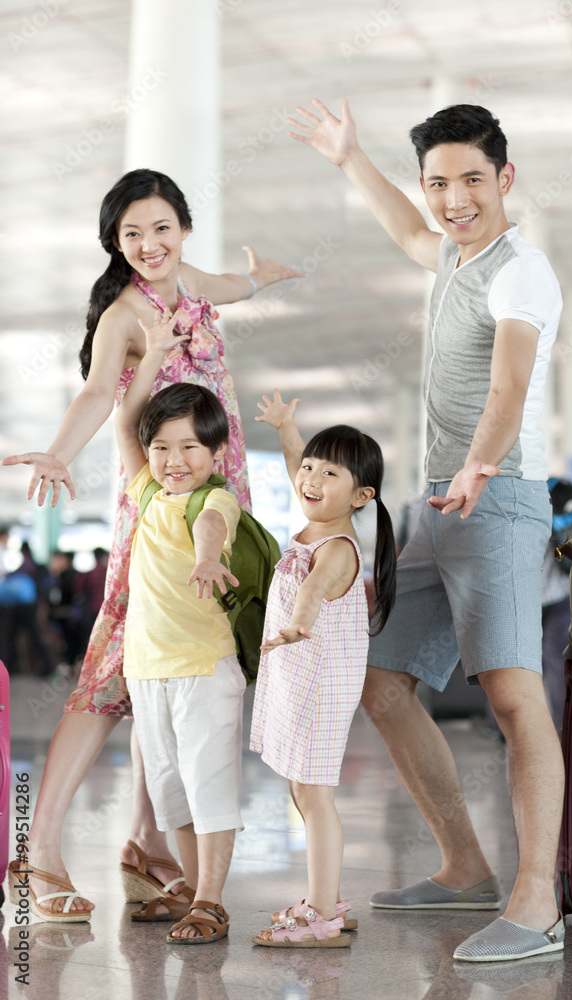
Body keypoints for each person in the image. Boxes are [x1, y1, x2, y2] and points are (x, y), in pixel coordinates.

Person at [289, 100, 565, 961]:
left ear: (504, 179)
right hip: (436, 505)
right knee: (380, 678)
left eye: (470, 180)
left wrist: (482, 461)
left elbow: (509, 386)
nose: (453, 199)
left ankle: (535, 902)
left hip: (502, 496)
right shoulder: (450, 254)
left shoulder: (522, 271)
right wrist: (348, 158)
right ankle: (463, 867)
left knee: (514, 698)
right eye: (439, 182)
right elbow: (408, 232)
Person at [2, 168, 301, 919]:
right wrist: (61, 454)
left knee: (166, 677)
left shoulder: (191, 280)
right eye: (130, 234)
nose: (148, 244)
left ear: (184, 228)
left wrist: (258, 278)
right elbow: (100, 392)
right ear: (114, 242)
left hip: (219, 504)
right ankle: (33, 854)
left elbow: (228, 285)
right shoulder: (125, 314)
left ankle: (146, 846)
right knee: (113, 673)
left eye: (161, 228)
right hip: (161, 513)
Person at [250, 390, 396, 947]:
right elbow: (297, 468)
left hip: (315, 683)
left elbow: (312, 591)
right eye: (310, 466)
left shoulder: (337, 548)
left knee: (314, 796)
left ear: (361, 494)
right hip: (301, 679)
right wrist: (289, 431)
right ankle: (327, 899)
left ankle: (322, 916)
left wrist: (297, 623)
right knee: (302, 791)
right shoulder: (318, 516)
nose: (310, 477)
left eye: (328, 472)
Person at [115, 313, 244, 944]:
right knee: (171, 791)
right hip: (148, 669)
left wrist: (205, 557)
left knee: (209, 781)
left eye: (190, 446)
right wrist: (154, 355)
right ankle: (195, 888)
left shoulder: (214, 499)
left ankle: (212, 902)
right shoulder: (144, 489)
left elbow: (213, 529)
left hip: (204, 667)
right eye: (162, 446)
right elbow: (122, 424)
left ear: (216, 453)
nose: (173, 459)